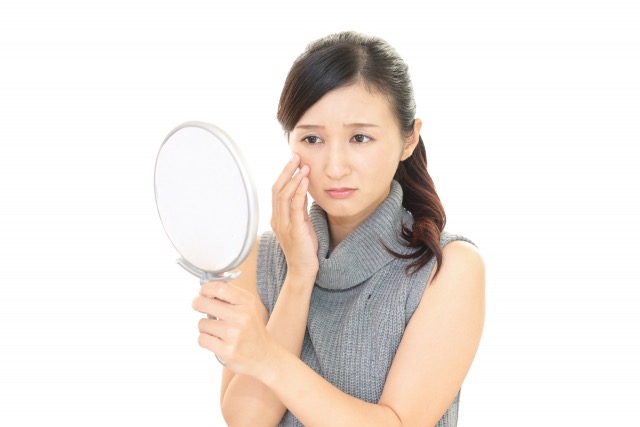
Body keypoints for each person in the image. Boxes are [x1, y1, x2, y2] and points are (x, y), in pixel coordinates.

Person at [191, 31, 485, 427]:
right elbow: (248, 421)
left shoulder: (447, 267)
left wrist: (265, 357)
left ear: (409, 139)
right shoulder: (261, 258)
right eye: (312, 138)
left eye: (360, 137)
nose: (334, 167)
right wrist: (299, 275)